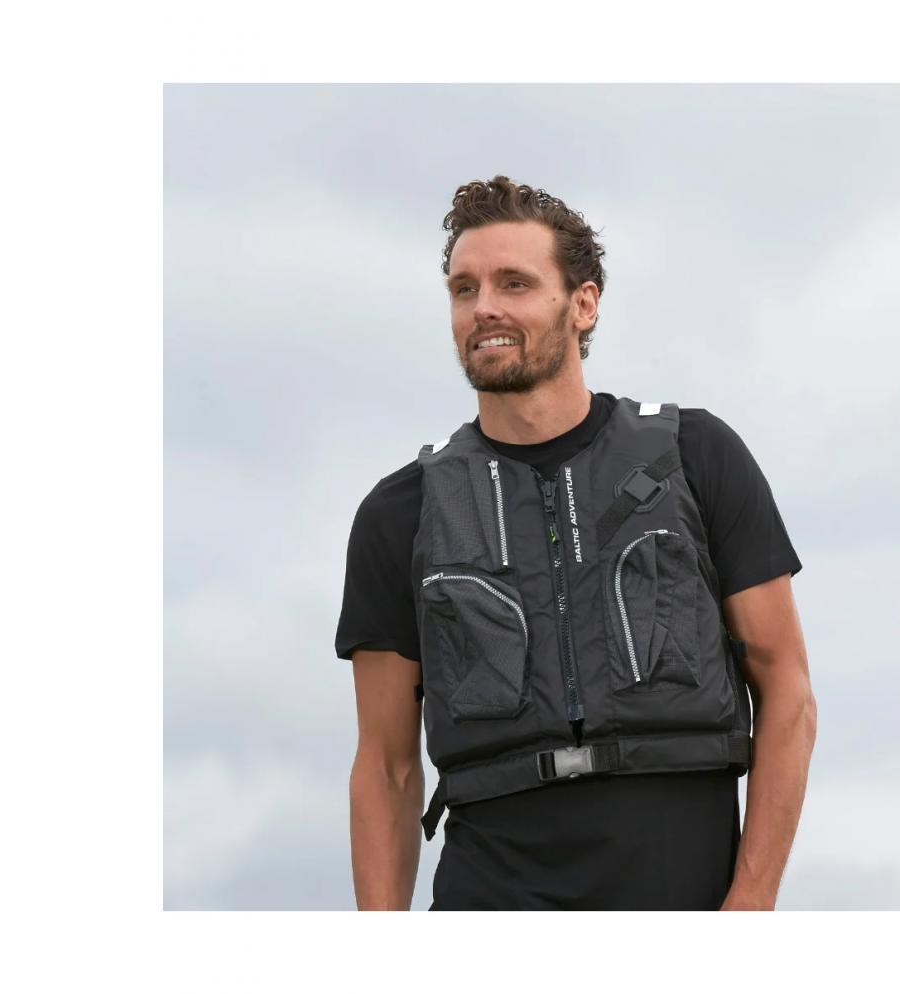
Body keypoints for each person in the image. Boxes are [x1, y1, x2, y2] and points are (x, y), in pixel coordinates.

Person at [336, 175, 816, 910]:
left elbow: (787, 690)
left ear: (583, 303)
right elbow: (386, 767)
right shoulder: (400, 513)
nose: (484, 307)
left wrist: (750, 904)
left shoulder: (697, 457)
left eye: (514, 283)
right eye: (464, 289)